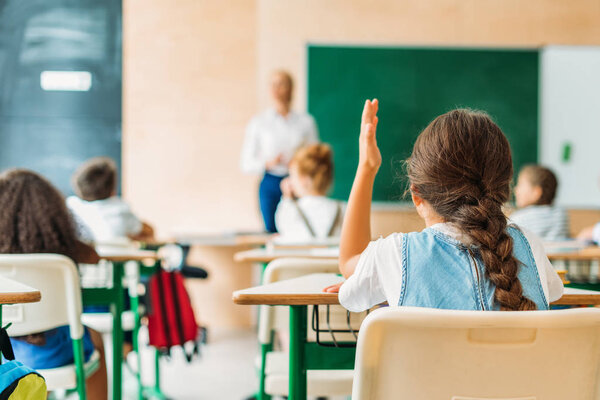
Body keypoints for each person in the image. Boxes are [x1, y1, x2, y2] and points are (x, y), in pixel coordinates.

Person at [325, 100, 563, 313]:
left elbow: (349, 263)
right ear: (504, 187)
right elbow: (553, 292)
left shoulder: (396, 256)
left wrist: (366, 167)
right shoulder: (528, 245)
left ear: (416, 194)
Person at [0, 169, 107, 400]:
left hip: (4, 356)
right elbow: (94, 255)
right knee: (94, 338)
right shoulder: (65, 252)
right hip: (54, 351)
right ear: (53, 212)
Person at [240, 70, 319, 233]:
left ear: (291, 89)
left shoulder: (306, 122)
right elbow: (246, 162)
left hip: (296, 182)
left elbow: (315, 156)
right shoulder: (259, 122)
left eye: (282, 84)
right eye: (273, 84)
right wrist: (268, 163)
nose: (277, 89)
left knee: (298, 229)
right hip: (270, 182)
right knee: (270, 232)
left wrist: (299, 163)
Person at [67, 157, 155, 243]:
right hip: (119, 256)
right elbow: (149, 231)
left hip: (83, 256)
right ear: (113, 191)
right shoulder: (120, 209)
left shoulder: (71, 206)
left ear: (78, 187)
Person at [275, 143, 343, 240]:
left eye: (292, 176)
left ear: (304, 180)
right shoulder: (343, 209)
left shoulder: (288, 210)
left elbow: (282, 227)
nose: (290, 181)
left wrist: (286, 199)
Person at [510, 165, 569, 240]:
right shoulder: (560, 214)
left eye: (520, 184)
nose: (516, 189)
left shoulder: (519, 219)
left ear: (536, 192)